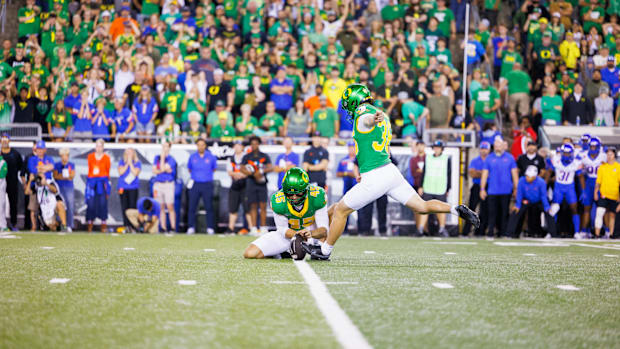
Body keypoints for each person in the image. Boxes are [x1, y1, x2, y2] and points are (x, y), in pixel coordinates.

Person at [307, 84, 479, 260]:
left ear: (355, 101)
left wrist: (372, 119)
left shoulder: (364, 112)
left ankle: (324, 250)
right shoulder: (384, 116)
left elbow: (366, 120)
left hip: (376, 176)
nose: (348, 108)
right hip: (389, 171)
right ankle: (456, 210)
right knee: (422, 206)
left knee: (340, 211)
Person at [243, 167, 328, 259]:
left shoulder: (317, 196)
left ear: (306, 190)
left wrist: (310, 234)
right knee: (250, 253)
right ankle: (282, 252)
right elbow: (282, 229)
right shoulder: (279, 201)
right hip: (289, 236)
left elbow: (324, 230)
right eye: (290, 194)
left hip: (312, 234)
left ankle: (321, 248)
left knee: (334, 209)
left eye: (298, 193)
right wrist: (297, 236)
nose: (294, 197)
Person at [480, 138, 519, 238]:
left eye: (499, 145)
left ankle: (503, 232)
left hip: (506, 190)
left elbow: (514, 174)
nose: (497, 148)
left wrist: (516, 188)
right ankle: (490, 232)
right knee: (492, 213)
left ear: (503, 146)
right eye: (496, 146)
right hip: (492, 190)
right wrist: (482, 189)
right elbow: (484, 174)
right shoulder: (489, 158)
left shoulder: (510, 158)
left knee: (504, 212)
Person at [507, 166, 555, 238]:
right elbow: (519, 194)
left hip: (539, 201)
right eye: (527, 176)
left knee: (549, 212)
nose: (528, 178)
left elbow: (543, 196)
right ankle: (509, 233)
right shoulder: (521, 181)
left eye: (530, 176)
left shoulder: (541, 182)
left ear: (535, 176)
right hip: (527, 200)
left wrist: (546, 207)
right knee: (515, 212)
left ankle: (553, 234)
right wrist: (517, 205)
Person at [417, 140, 452, 237]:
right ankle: (420, 229)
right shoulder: (428, 158)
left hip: (440, 188)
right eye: (435, 147)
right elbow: (423, 173)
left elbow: (449, 174)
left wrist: (448, 188)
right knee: (424, 209)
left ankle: (442, 229)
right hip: (428, 187)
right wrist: (421, 186)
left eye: (438, 147)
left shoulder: (446, 159)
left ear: (442, 149)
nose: (436, 149)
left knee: (441, 209)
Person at [548, 143, 583, 238]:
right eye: (565, 153)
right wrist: (546, 186)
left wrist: (583, 190)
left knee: (574, 209)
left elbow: (580, 176)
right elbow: (549, 172)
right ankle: (551, 232)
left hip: (570, 187)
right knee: (553, 209)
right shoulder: (556, 159)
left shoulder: (577, 162)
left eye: (568, 153)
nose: (566, 155)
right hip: (558, 186)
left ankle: (576, 232)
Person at [240, 136, 273, 236]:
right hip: (251, 183)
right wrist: (252, 174)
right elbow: (242, 169)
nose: (254, 145)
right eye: (252, 144)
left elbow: (270, 167)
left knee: (263, 205)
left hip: (262, 183)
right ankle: (254, 228)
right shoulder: (247, 156)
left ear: (259, 144)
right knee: (253, 205)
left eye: (256, 143)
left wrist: (261, 171)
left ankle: (263, 227)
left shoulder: (264, 156)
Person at [187, 138, 217, 235]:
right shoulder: (192, 157)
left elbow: (214, 169)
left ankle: (210, 227)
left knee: (209, 206)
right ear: (197, 146)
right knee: (192, 206)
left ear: (205, 146)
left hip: (207, 184)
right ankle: (191, 227)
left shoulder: (211, 156)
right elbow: (189, 169)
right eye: (199, 145)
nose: (201, 146)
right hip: (195, 183)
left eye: (202, 145)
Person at [579, 137, 606, 237]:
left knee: (603, 208)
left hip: (602, 183)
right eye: (592, 146)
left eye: (595, 146)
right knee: (587, 208)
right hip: (589, 183)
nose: (593, 148)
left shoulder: (604, 156)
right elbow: (580, 174)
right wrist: (584, 190)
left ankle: (607, 230)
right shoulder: (583, 156)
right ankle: (584, 231)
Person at [463, 141, 490, 237]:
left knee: (485, 210)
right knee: (471, 209)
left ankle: (480, 232)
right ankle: (465, 231)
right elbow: (472, 173)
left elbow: (491, 175)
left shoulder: (491, 160)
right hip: (476, 186)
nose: (484, 151)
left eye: (485, 148)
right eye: (482, 148)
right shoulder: (475, 160)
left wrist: (479, 172)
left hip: (488, 187)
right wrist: (485, 173)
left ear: (489, 150)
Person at [26, 140, 54, 231]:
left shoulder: (49, 158)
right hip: (36, 185)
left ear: (45, 149)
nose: (40, 151)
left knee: (48, 207)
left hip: (47, 185)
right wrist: (45, 168)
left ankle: (47, 225)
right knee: (33, 208)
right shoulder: (32, 159)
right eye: (38, 149)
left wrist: (40, 168)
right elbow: (33, 170)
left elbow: (52, 167)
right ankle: (34, 226)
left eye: (41, 149)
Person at [593, 147, 620, 238]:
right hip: (604, 194)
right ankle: (597, 234)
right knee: (599, 212)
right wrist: (595, 192)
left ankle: (611, 234)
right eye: (607, 154)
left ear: (614, 155)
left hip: (614, 195)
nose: (609, 156)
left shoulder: (618, 167)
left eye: (611, 154)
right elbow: (598, 181)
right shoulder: (602, 167)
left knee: (612, 215)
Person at [86, 139, 111, 233]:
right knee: (91, 203)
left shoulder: (107, 158)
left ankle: (103, 224)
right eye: (97, 146)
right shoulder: (90, 156)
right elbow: (90, 169)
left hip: (102, 182)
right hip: (92, 182)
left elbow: (107, 171)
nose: (98, 148)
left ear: (103, 147)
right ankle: (90, 223)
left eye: (100, 146)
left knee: (103, 204)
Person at [153, 141, 177, 233]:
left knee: (170, 206)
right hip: (158, 183)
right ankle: (163, 227)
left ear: (169, 148)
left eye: (166, 146)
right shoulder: (156, 157)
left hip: (168, 184)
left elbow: (162, 168)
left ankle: (173, 227)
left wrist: (162, 158)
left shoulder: (171, 159)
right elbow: (154, 171)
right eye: (163, 146)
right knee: (161, 206)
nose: (164, 148)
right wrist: (162, 170)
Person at [226, 141, 250, 235]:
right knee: (233, 208)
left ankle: (251, 228)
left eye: (238, 146)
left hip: (245, 185)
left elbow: (249, 171)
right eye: (235, 146)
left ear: (242, 147)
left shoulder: (247, 158)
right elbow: (229, 172)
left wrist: (241, 174)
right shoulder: (231, 158)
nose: (237, 148)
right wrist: (238, 174)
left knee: (247, 208)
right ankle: (230, 228)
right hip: (235, 185)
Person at [0, 134, 22, 230]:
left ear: (9, 141)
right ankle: (2, 224)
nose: (4, 141)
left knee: (13, 203)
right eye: (3, 139)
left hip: (12, 182)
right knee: (1, 203)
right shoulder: (0, 154)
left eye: (6, 139)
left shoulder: (15, 154)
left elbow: (20, 167)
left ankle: (13, 224)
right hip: (1, 182)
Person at [118, 148, 141, 233]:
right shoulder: (121, 162)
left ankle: (133, 226)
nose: (129, 155)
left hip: (133, 188)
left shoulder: (137, 163)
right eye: (127, 153)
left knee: (132, 207)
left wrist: (131, 163)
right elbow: (121, 172)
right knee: (124, 207)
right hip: (123, 187)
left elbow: (135, 173)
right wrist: (127, 163)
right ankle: (126, 226)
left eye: (130, 153)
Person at [53, 148, 75, 232]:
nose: (64, 157)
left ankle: (69, 225)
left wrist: (61, 175)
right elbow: (55, 176)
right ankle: (60, 224)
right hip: (59, 187)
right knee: (60, 205)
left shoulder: (71, 164)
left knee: (70, 205)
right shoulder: (57, 164)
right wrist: (65, 176)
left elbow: (72, 176)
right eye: (63, 155)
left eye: (66, 155)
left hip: (69, 187)